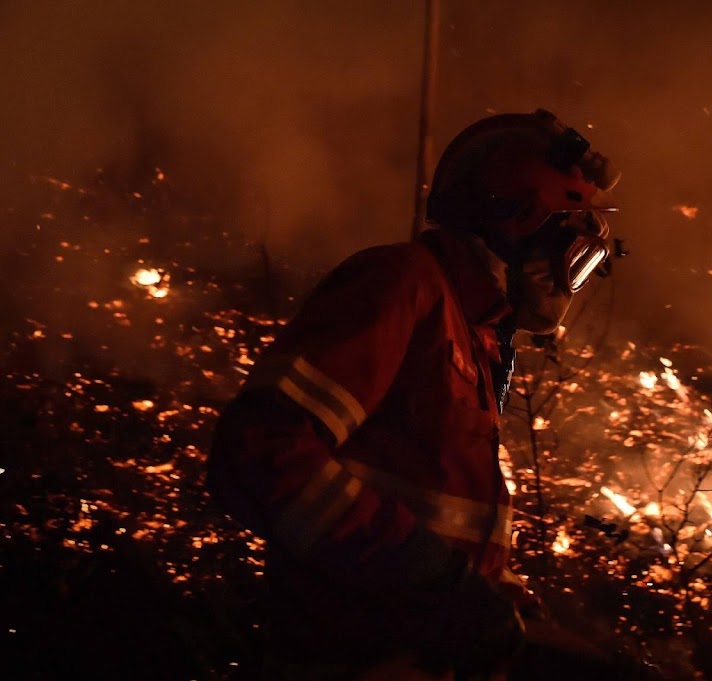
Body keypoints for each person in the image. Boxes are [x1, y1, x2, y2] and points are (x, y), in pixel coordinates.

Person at [206, 108, 620, 680]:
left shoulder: (476, 341)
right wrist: (426, 577)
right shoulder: (405, 285)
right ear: (517, 219)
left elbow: (452, 532)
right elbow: (260, 449)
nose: (568, 278)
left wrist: (517, 621)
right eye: (573, 249)